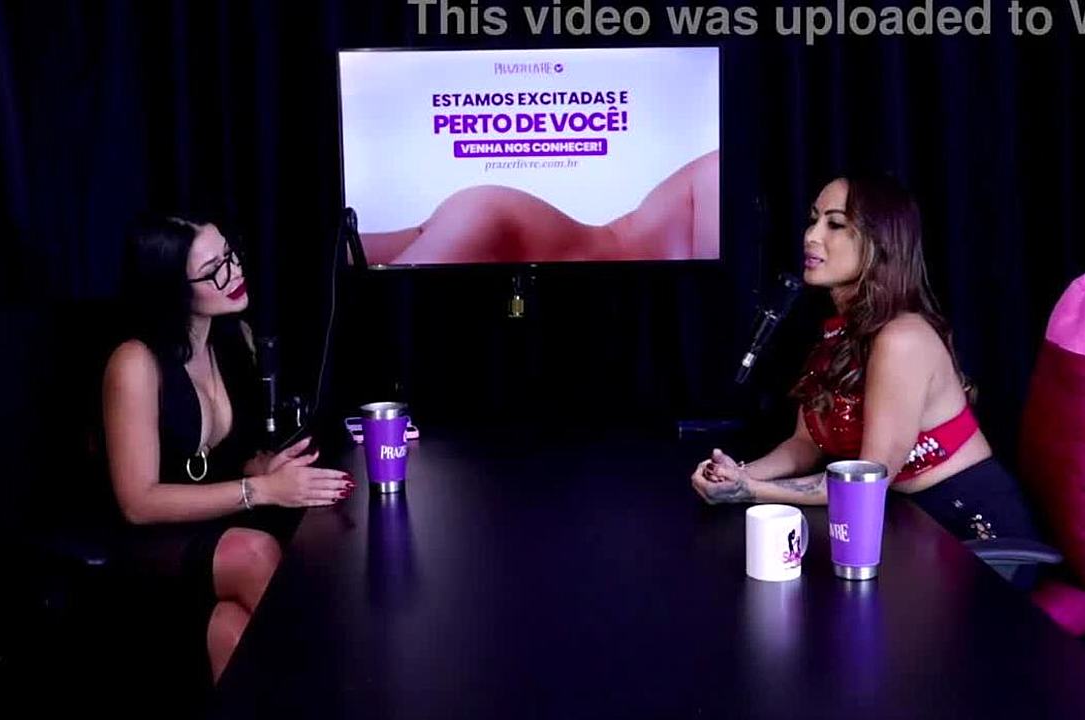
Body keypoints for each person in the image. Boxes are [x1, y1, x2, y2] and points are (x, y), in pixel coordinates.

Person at [689, 175, 1042, 543]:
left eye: (835, 224)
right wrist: (736, 474)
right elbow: (804, 445)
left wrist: (750, 491)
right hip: (908, 521)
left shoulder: (902, 340)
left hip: (970, 530)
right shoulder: (840, 335)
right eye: (814, 220)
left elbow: (865, 483)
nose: (811, 236)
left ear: (879, 243)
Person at [102, 215, 353, 682]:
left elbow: (229, 457)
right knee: (254, 552)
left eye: (230, 256)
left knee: (230, 631)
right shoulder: (134, 362)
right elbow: (137, 503)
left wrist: (265, 467)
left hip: (216, 524)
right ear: (173, 291)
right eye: (213, 270)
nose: (234, 272)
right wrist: (259, 490)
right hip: (150, 540)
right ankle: (340, 685)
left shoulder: (232, 338)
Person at [359, 150, 719, 265]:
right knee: (376, 322)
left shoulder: (715, 168)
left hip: (499, 219)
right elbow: (717, 293)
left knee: (339, 263)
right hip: (508, 228)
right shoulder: (718, 168)